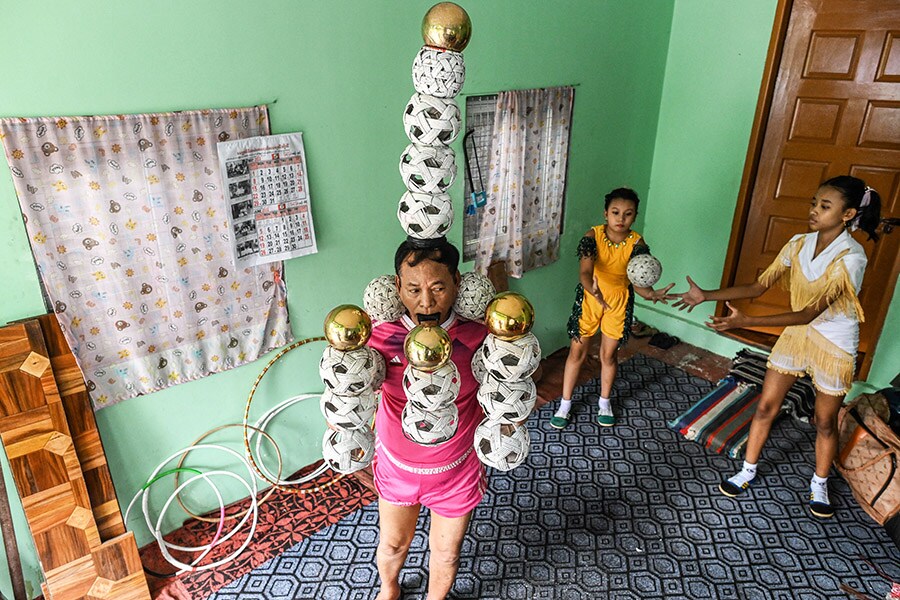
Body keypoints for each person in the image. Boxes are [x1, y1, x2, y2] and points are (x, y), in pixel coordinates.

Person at [671, 175, 882, 518]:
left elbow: (808, 313)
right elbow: (757, 288)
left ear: (848, 215)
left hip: (834, 343)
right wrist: (706, 295)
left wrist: (743, 323)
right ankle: (747, 470)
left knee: (825, 421)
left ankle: (819, 483)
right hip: (798, 335)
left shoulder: (852, 258)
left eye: (824, 206)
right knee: (766, 406)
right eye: (814, 203)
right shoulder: (798, 243)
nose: (814, 210)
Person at [368, 237, 488, 600]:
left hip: (457, 469)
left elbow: (505, 394)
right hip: (397, 467)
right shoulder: (380, 336)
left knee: (448, 553)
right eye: (413, 289)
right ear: (396, 287)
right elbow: (352, 393)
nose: (426, 301)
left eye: (438, 287)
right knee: (392, 546)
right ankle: (389, 589)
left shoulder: (479, 338)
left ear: (457, 283)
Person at [550, 187, 673, 429]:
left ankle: (604, 402)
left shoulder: (637, 242)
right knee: (577, 353)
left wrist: (650, 293)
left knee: (608, 355)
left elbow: (638, 281)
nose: (621, 218)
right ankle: (565, 404)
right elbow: (585, 272)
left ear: (635, 217)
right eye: (615, 212)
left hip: (619, 302)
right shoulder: (592, 236)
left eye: (628, 214)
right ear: (606, 213)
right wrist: (592, 289)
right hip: (590, 299)